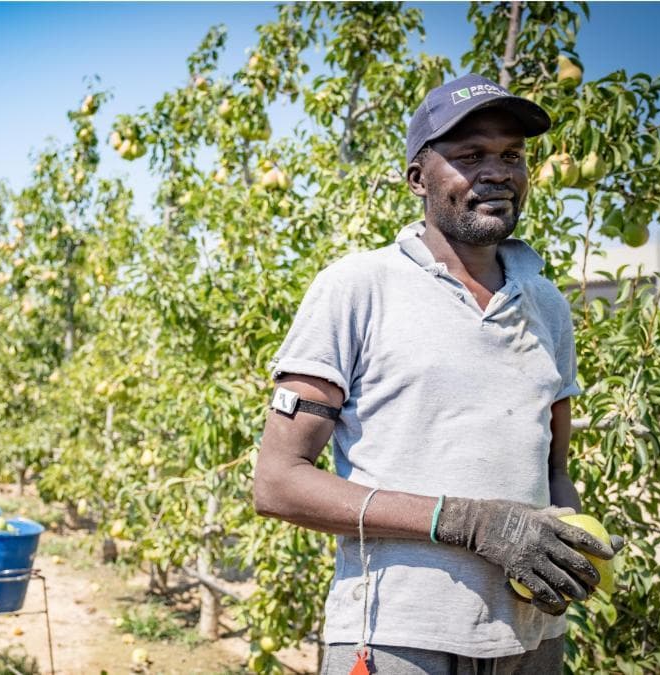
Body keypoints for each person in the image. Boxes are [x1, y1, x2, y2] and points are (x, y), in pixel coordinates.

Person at [253, 74, 622, 675]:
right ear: (418, 179)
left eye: (511, 156)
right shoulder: (357, 289)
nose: (497, 171)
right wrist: (467, 522)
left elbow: (554, 471)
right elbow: (278, 483)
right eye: (471, 155)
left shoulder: (548, 305)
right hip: (397, 638)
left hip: (533, 640)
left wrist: (575, 546)